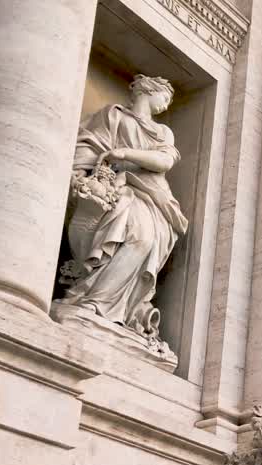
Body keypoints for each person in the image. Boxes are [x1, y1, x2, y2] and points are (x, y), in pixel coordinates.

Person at [58, 74, 188, 340]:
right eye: (165, 96)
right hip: (116, 189)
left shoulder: (164, 132)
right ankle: (93, 302)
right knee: (129, 233)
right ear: (149, 91)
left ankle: (105, 306)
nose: (166, 103)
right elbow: (89, 145)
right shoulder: (112, 116)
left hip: (152, 197)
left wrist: (124, 153)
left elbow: (164, 162)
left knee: (144, 239)